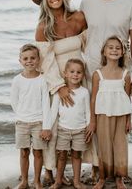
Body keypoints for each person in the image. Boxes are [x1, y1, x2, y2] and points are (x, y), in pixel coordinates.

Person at [31, 0, 90, 185]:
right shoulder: (43, 26)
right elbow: (45, 62)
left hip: (79, 76)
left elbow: (90, 46)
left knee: (78, 122)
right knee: (54, 126)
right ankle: (50, 170)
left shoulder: (79, 17)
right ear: (44, 1)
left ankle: (81, 167)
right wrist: (60, 87)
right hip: (56, 80)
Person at [87, 35, 132, 189]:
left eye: (117, 48)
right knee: (104, 146)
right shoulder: (97, 74)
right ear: (104, 52)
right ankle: (102, 177)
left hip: (121, 115)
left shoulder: (126, 74)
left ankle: (119, 178)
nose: (114, 50)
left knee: (120, 145)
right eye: (110, 47)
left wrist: (129, 120)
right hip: (102, 115)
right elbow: (93, 99)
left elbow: (127, 99)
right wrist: (92, 121)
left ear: (122, 53)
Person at [10, 44, 52, 189]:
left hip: (39, 122)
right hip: (22, 122)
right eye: (25, 58)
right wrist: (21, 114)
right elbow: (14, 101)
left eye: (32, 58)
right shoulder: (17, 80)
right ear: (20, 60)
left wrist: (46, 126)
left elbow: (46, 103)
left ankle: (37, 181)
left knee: (38, 153)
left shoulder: (42, 79)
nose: (29, 61)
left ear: (38, 59)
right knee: (23, 152)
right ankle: (24, 181)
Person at [50, 59, 90, 189]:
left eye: (79, 72)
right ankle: (58, 181)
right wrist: (47, 128)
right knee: (61, 155)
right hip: (63, 129)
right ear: (65, 73)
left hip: (80, 129)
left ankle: (77, 181)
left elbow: (88, 111)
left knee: (76, 155)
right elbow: (53, 112)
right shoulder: (59, 93)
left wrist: (89, 126)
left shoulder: (84, 92)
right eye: (72, 71)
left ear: (83, 75)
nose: (75, 74)